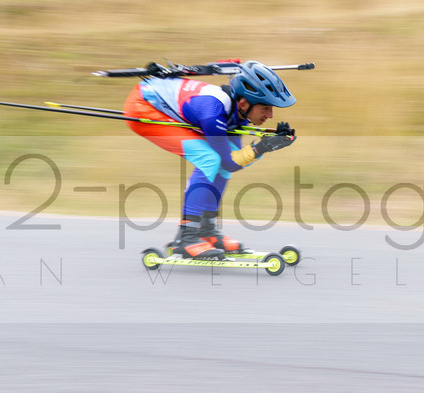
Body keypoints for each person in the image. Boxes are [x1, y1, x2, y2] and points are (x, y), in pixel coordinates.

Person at [123, 60, 297, 259]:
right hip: (143, 108)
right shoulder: (213, 114)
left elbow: (231, 164)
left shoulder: (236, 111)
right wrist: (264, 146)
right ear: (243, 103)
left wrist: (266, 145)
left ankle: (206, 230)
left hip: (171, 103)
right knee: (209, 159)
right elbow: (229, 161)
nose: (271, 114)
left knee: (219, 164)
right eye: (265, 108)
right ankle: (187, 237)